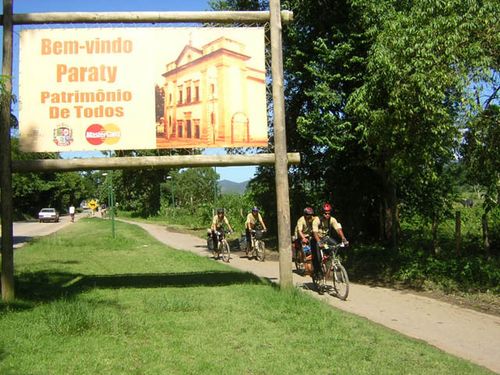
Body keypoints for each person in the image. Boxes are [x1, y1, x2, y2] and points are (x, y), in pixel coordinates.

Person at [310, 202, 348, 291]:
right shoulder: (317, 220)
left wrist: (343, 238)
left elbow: (338, 229)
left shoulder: (332, 219)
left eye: (328, 213)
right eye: (325, 213)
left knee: (335, 245)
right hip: (316, 239)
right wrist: (319, 242)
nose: (327, 215)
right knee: (318, 258)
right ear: (321, 213)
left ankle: (330, 261)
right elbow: (315, 232)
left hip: (325, 238)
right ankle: (318, 275)